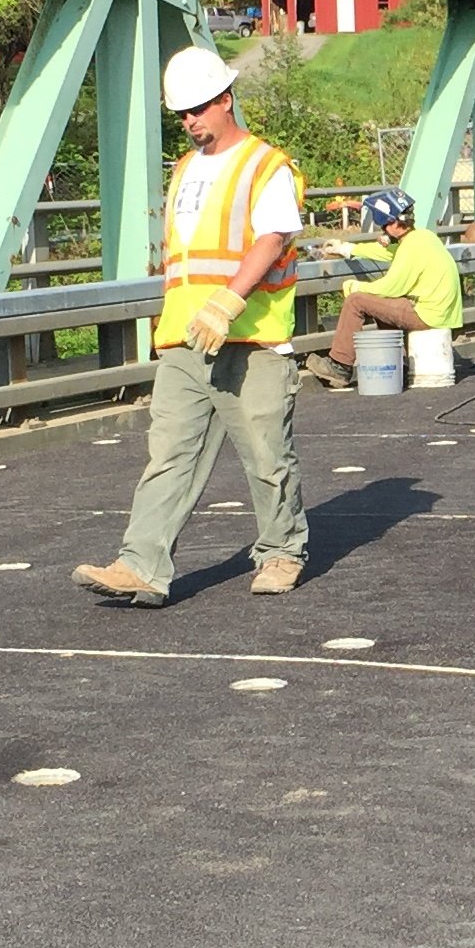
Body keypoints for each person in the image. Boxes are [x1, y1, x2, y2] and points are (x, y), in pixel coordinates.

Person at [72, 45, 309, 605]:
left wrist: (227, 302)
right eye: (181, 113)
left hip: (250, 335)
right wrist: (194, 315)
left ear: (226, 99)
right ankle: (141, 565)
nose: (189, 122)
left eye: (198, 109)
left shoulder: (266, 165)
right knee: (169, 453)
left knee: (266, 453)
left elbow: (272, 238)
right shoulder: (183, 169)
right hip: (185, 336)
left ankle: (281, 552)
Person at [299, 187, 461, 389]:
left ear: (392, 223)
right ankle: (397, 362)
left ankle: (339, 366)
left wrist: (353, 287)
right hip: (440, 311)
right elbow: (389, 253)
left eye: (383, 226)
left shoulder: (411, 247)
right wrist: (348, 249)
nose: (382, 232)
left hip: (427, 314)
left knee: (357, 301)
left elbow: (390, 287)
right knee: (381, 305)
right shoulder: (423, 237)